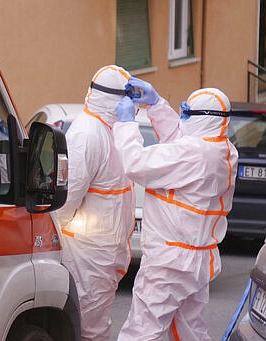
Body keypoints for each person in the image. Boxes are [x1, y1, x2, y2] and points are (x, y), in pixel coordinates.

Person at [113, 79, 238, 340]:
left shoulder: (193, 153)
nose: (183, 117)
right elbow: (180, 142)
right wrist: (157, 105)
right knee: (190, 331)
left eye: (187, 113)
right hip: (198, 260)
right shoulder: (225, 151)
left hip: (170, 263)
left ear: (203, 118)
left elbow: (136, 164)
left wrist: (126, 124)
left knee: (143, 331)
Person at [55, 65, 136, 340]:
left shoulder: (109, 129)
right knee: (89, 329)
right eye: (127, 98)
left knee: (96, 325)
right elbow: (66, 201)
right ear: (113, 99)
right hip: (87, 255)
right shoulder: (87, 135)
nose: (132, 105)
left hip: (102, 254)